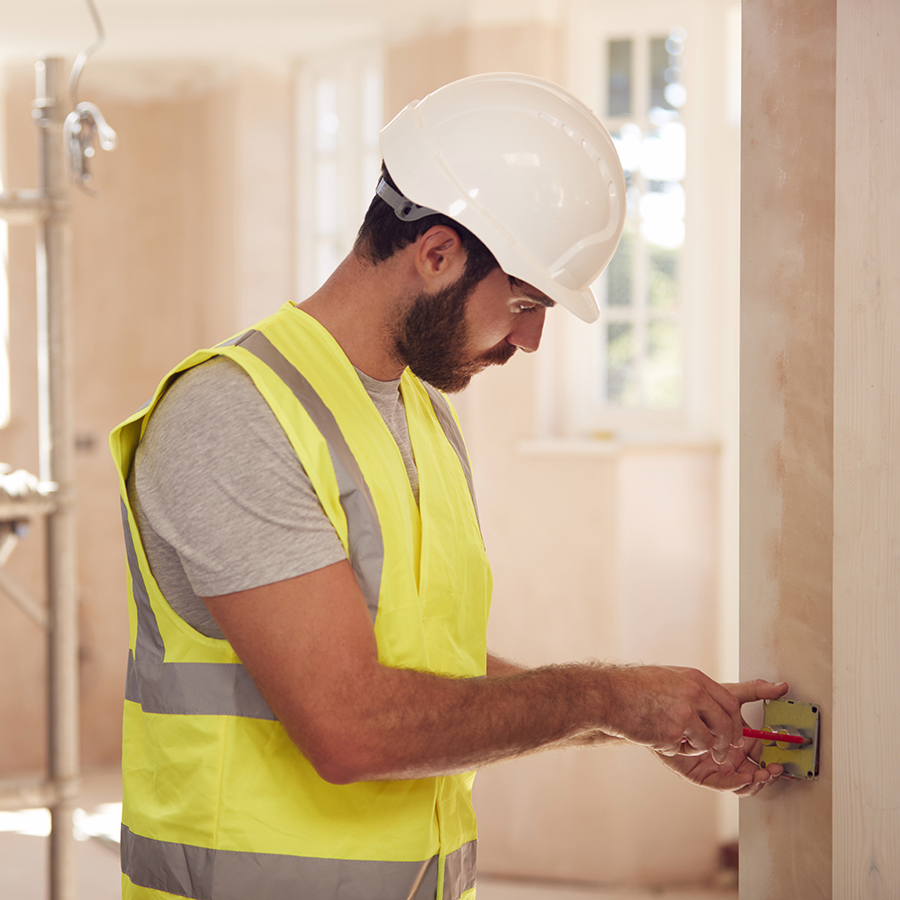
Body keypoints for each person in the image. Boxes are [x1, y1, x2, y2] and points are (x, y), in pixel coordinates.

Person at [110, 73, 788, 900]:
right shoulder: (236, 415)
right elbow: (352, 727)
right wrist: (610, 695)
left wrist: (639, 716)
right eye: (527, 301)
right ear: (437, 254)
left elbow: (432, 671)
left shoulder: (419, 416)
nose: (531, 340)